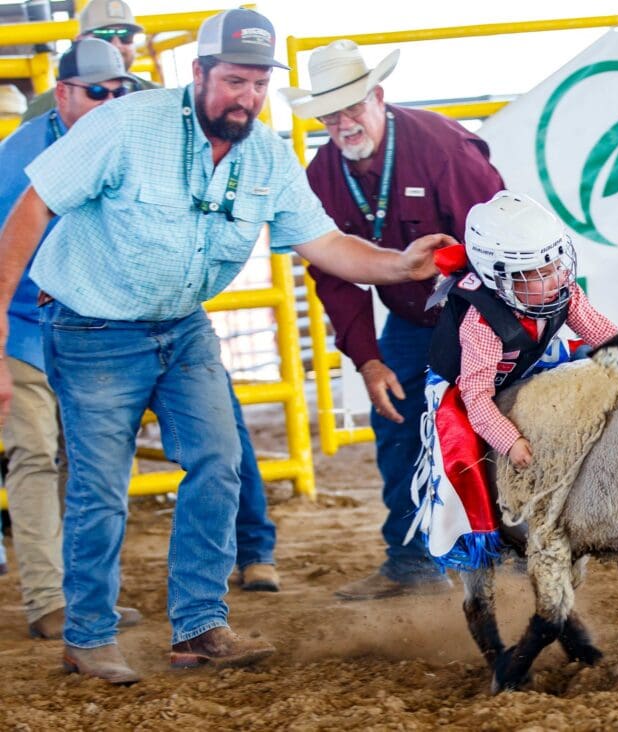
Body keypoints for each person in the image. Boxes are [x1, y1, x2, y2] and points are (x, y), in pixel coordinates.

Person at [0, 8, 451, 685]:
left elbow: (322, 242)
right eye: (234, 80)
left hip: (181, 327)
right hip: (92, 328)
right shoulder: (126, 125)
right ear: (200, 73)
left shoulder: (266, 152)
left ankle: (198, 627)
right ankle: (87, 636)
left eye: (259, 83)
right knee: (100, 487)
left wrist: (398, 265)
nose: (247, 96)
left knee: (220, 461)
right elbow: (34, 205)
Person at [19, 0, 282, 595]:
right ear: (64, 92)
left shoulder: (162, 115)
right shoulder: (52, 136)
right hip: (61, 317)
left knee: (220, 444)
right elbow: (21, 217)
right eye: (96, 86)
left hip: (167, 313)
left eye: (126, 42)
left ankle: (243, 562)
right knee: (65, 466)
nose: (112, 89)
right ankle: (61, 608)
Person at [282, 40, 504, 600]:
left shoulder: (443, 147)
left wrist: (493, 335)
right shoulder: (322, 175)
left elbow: (497, 238)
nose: (343, 121)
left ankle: (515, 552)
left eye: (353, 105)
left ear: (378, 96)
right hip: (410, 319)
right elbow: (332, 274)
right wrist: (368, 359)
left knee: (498, 421)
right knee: (397, 419)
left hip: (482, 310)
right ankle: (411, 563)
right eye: (330, 113)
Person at [0, 39, 148, 640]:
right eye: (97, 92)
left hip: (91, 325)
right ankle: (47, 601)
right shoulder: (15, 159)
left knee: (88, 462)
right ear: (62, 95)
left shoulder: (124, 144)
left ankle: (83, 599)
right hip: (24, 326)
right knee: (37, 455)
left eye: (118, 91)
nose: (111, 101)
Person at [408, 192, 618, 569]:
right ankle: (472, 539)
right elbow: (477, 396)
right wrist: (510, 441)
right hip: (467, 387)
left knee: (599, 380)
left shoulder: (562, 291)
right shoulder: (482, 324)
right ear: (500, 278)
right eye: (537, 273)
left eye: (556, 264)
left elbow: (600, 331)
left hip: (531, 362)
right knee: (459, 456)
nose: (555, 277)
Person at [22, 0, 158, 123]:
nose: (116, 45)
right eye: (104, 35)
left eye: (125, 36)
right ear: (80, 41)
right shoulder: (44, 108)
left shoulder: (158, 96)